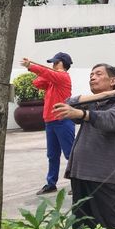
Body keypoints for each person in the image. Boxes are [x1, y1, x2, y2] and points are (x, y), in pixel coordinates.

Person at [51, 63, 115, 229]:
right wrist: (105, 94)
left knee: (112, 224)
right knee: (82, 225)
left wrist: (83, 114)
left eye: (98, 74)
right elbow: (67, 102)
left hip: (102, 176)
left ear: (113, 80)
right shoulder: (93, 103)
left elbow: (108, 120)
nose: (92, 77)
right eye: (91, 75)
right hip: (79, 173)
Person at [21, 52, 74, 195]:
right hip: (50, 121)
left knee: (70, 154)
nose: (53, 65)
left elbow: (45, 73)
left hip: (62, 120)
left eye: (56, 62)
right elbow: (37, 82)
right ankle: (51, 183)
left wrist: (32, 66)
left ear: (63, 63)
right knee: (52, 155)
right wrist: (47, 72)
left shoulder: (63, 77)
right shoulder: (52, 80)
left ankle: (78, 183)